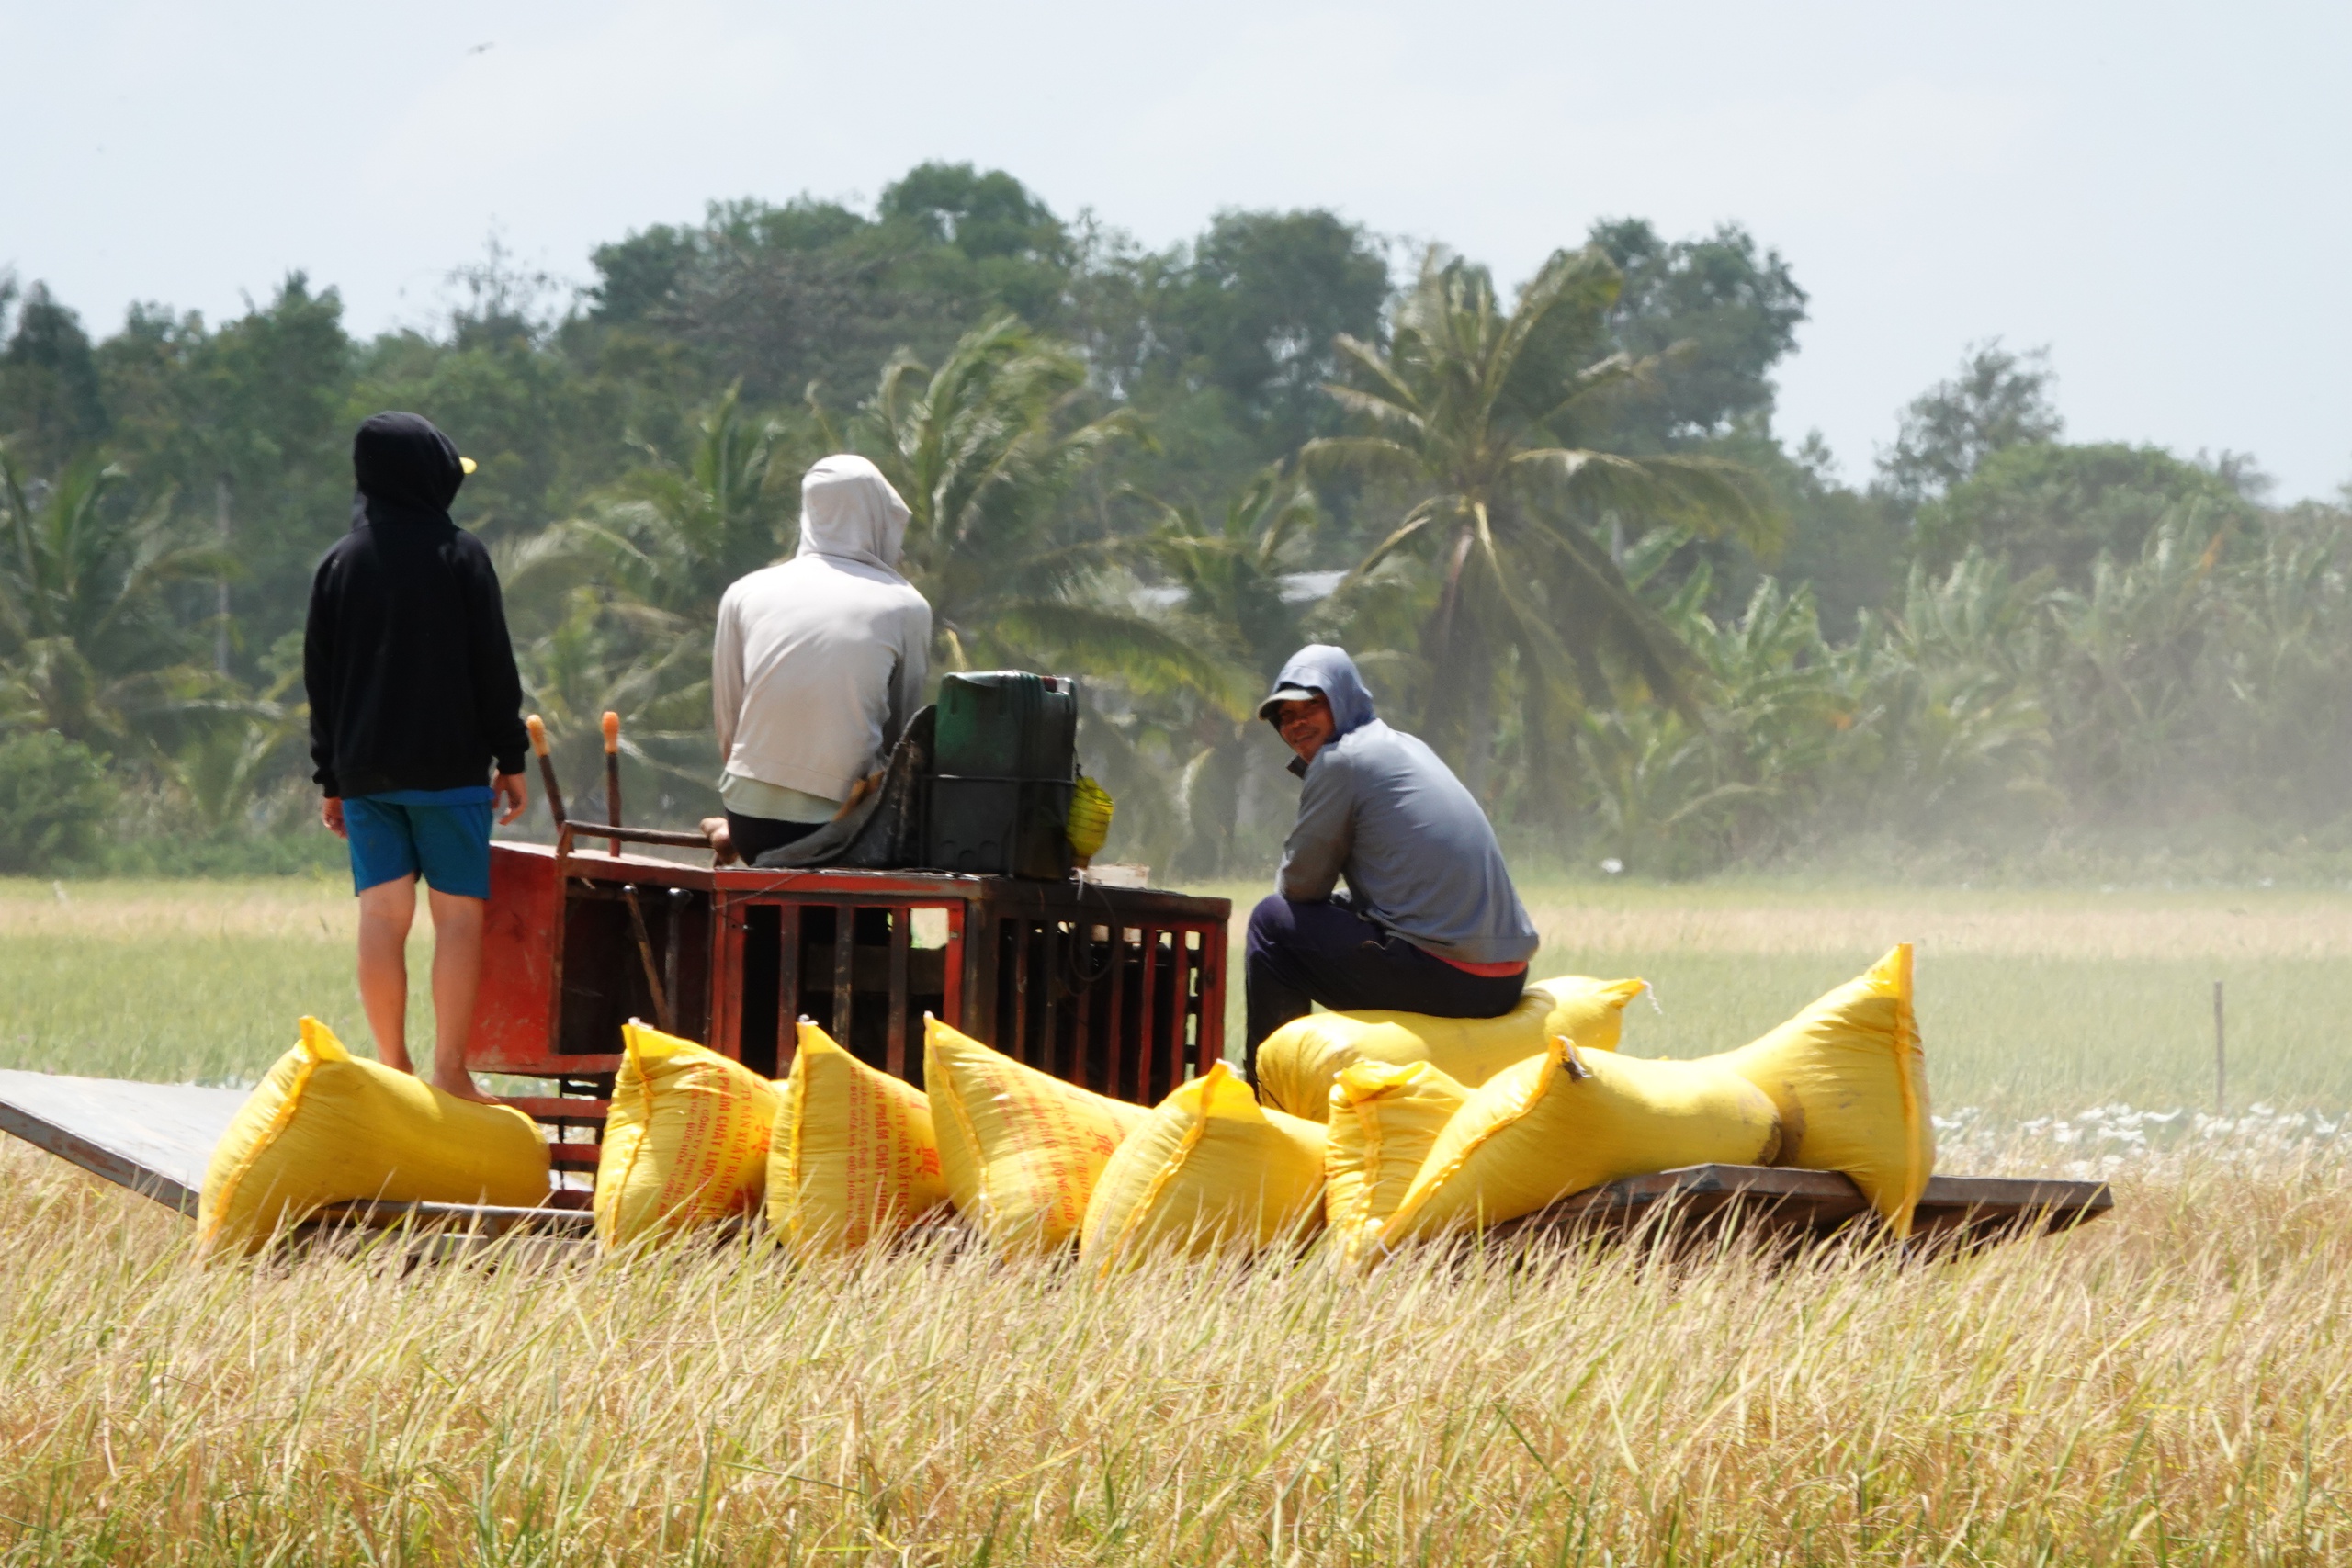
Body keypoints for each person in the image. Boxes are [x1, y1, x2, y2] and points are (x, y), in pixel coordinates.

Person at [305, 412, 530, 1100]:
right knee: (458, 918)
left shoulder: (339, 563)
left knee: (382, 917)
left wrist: (331, 777)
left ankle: (391, 1067)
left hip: (367, 771)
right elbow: (493, 666)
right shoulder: (462, 556)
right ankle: (451, 1071)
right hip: (450, 771)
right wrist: (511, 757)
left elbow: (323, 681)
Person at [1244, 644, 1539, 1075]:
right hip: (1507, 979)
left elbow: (1300, 886)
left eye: (1312, 705)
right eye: (1285, 715)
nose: (1297, 723)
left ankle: (1266, 1086)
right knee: (1335, 906)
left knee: (1272, 923)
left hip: (1451, 978)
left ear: (1343, 701)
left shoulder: (1340, 760)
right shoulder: (1407, 746)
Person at [703, 454, 932, 865]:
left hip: (749, 816)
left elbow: (729, 725)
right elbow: (903, 736)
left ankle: (729, 832)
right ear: (877, 517)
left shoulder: (744, 592)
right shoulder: (907, 607)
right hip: (845, 824)